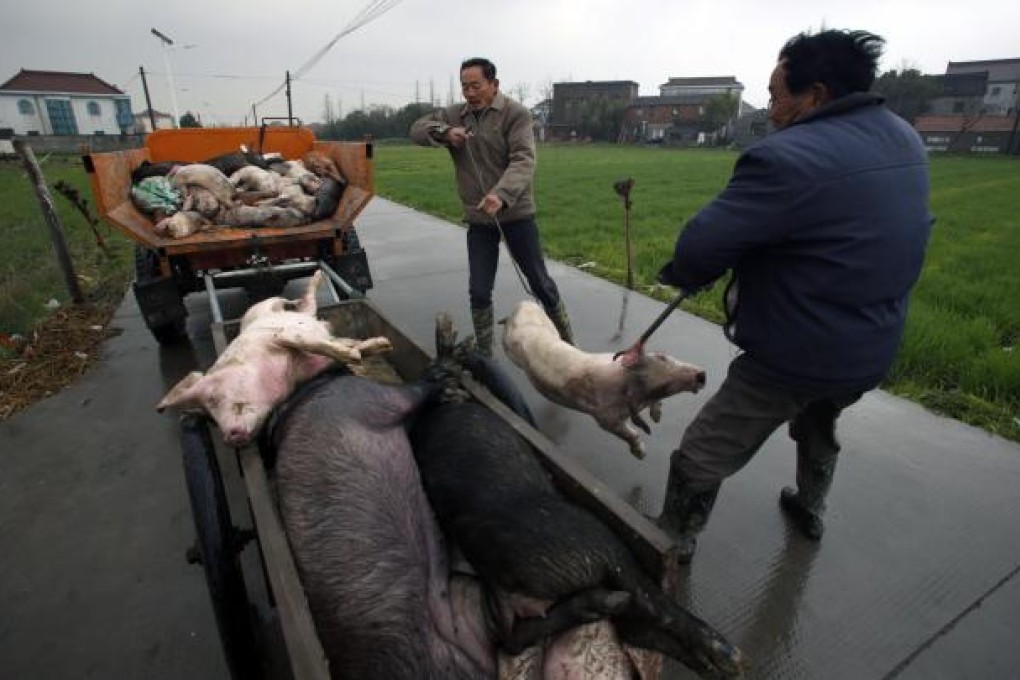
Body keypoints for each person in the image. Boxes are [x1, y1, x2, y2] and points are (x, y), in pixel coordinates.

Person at [654, 29, 933, 563]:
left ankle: (671, 540)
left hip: (796, 351)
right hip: (870, 346)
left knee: (702, 452)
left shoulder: (788, 156)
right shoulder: (905, 138)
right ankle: (811, 505)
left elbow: (701, 247)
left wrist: (686, 272)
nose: (772, 109)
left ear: (818, 95)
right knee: (820, 420)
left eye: (777, 94)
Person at [410, 57, 573, 357]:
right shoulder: (455, 115)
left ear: (494, 84)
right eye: (464, 86)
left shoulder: (515, 114)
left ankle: (568, 344)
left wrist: (501, 194)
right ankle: (487, 356)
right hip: (478, 217)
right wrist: (445, 133)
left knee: (539, 282)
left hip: (515, 213)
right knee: (479, 290)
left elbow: (524, 159)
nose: (469, 93)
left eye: (476, 85)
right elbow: (417, 129)